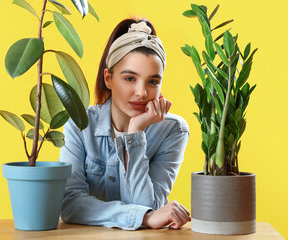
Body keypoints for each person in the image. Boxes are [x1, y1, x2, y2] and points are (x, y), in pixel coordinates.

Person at [59, 17, 190, 231]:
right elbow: (70, 205)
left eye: (153, 82)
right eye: (130, 78)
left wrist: (135, 133)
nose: (142, 92)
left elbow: (148, 205)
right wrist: (144, 218)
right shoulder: (80, 124)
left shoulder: (173, 130)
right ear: (108, 79)